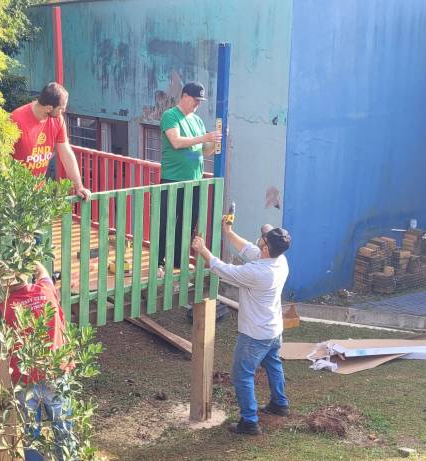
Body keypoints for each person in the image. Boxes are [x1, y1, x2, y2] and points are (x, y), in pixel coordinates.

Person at [191, 221, 292, 436]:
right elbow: (247, 248)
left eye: (263, 239)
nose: (260, 239)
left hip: (255, 335)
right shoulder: (279, 260)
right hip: (273, 331)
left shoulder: (258, 272)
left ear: (266, 248)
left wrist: (202, 250)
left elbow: (223, 269)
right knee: (273, 364)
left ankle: (249, 421)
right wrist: (229, 232)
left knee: (241, 375)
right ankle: (279, 404)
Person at [0, 263, 73, 460]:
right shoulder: (46, 290)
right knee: (64, 429)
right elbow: (43, 271)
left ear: (4, 285)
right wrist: (31, 259)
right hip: (55, 372)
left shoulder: (5, 309)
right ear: (25, 275)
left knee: (31, 433)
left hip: (25, 379)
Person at [157, 82, 222, 274]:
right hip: (172, 179)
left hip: (194, 180)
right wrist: (204, 138)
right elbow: (176, 142)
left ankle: (178, 260)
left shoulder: (197, 121)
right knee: (166, 222)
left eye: (200, 101)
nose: (197, 104)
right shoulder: (170, 115)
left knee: (187, 223)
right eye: (195, 100)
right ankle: (158, 262)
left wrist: (215, 140)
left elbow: (205, 151)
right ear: (184, 96)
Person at [10, 82, 91, 200]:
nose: (63, 111)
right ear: (48, 108)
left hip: (37, 192)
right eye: (61, 108)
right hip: (14, 192)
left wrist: (79, 186)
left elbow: (66, 154)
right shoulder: (16, 119)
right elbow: (2, 157)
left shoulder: (58, 120)